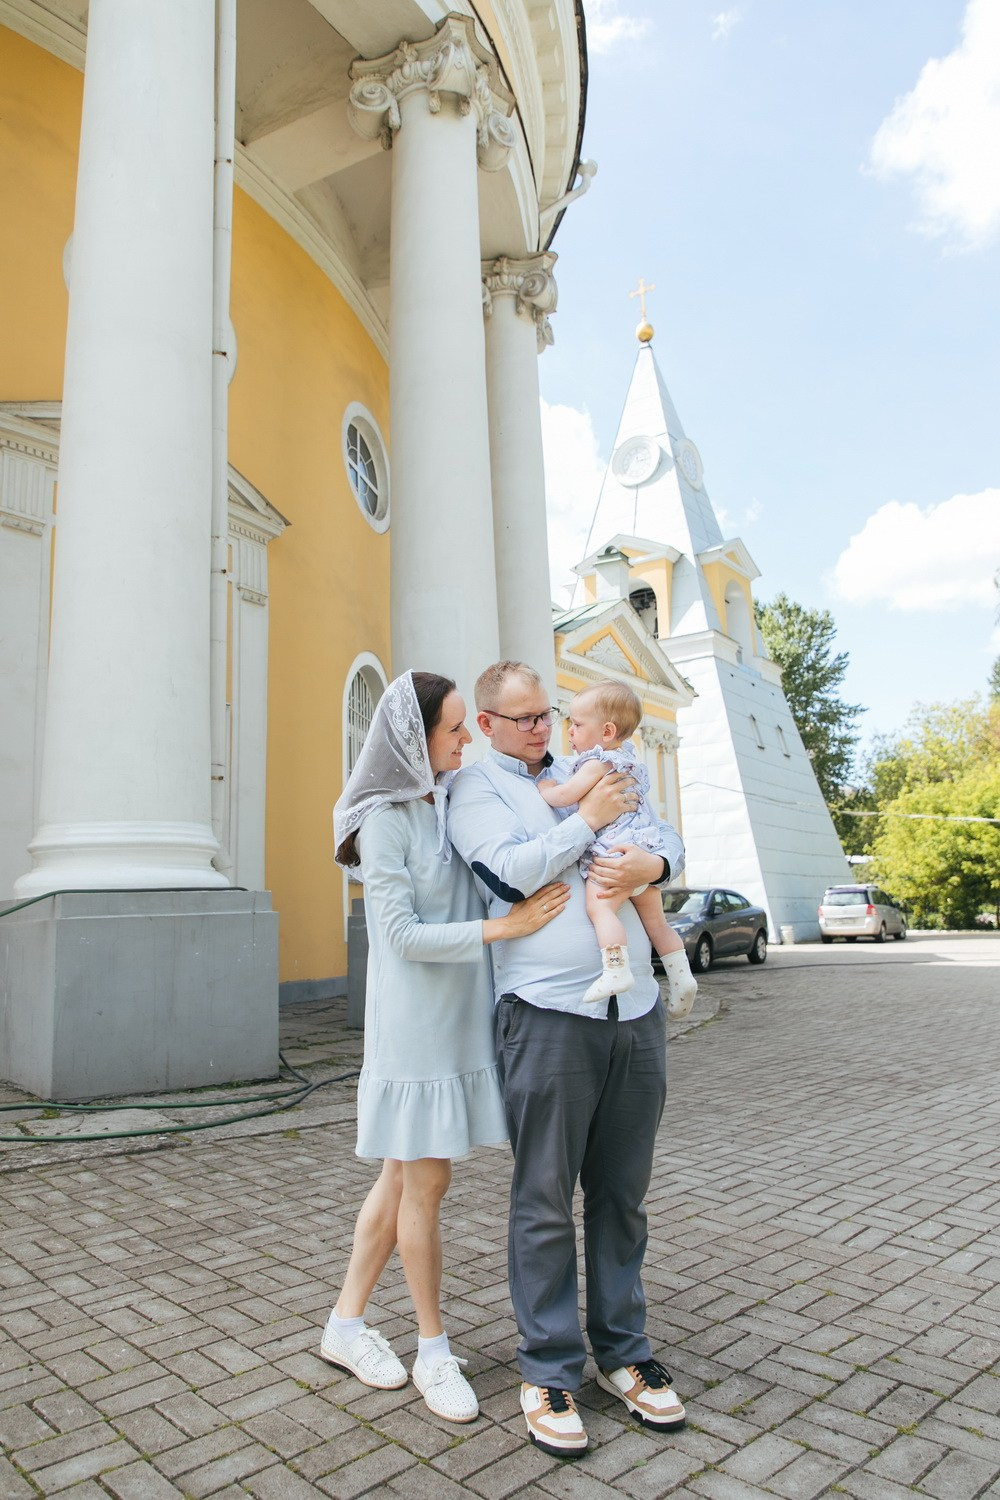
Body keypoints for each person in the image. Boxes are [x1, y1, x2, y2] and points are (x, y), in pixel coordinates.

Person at [448, 660, 687, 1459]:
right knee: (544, 1198)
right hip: (547, 1016)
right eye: (522, 721)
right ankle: (548, 1365)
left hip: (635, 1012)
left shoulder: (599, 761)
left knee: (623, 1196)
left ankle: (624, 1351)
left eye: (546, 715)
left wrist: (652, 866)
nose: (541, 731)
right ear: (487, 725)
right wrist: (588, 823)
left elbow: (666, 835)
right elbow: (511, 873)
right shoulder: (479, 791)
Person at [321, 670, 569, 1425]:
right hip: (415, 1029)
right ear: (413, 739)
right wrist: (505, 931)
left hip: (460, 1018)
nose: (465, 740)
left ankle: (343, 1326)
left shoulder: (448, 799)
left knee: (400, 1182)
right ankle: (434, 1349)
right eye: (455, 730)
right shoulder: (385, 821)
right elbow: (396, 936)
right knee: (426, 1186)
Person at [537, 679, 697, 1014]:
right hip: (642, 850)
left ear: (607, 731)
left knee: (600, 910)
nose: (569, 731)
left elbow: (566, 796)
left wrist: (547, 789)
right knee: (658, 924)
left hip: (612, 857)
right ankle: (681, 976)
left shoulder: (597, 762)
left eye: (577, 725)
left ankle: (615, 969)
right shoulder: (629, 760)